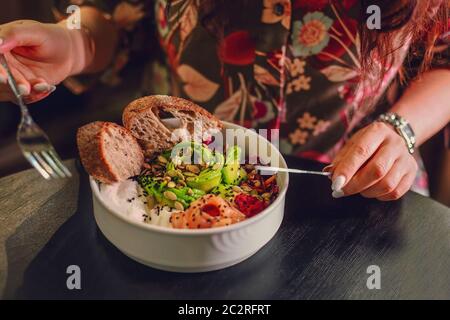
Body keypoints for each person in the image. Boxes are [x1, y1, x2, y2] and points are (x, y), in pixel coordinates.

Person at [0, 0, 449, 201]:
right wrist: (75, 44)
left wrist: (400, 130)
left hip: (346, 185)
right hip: (168, 176)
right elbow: (120, 23)